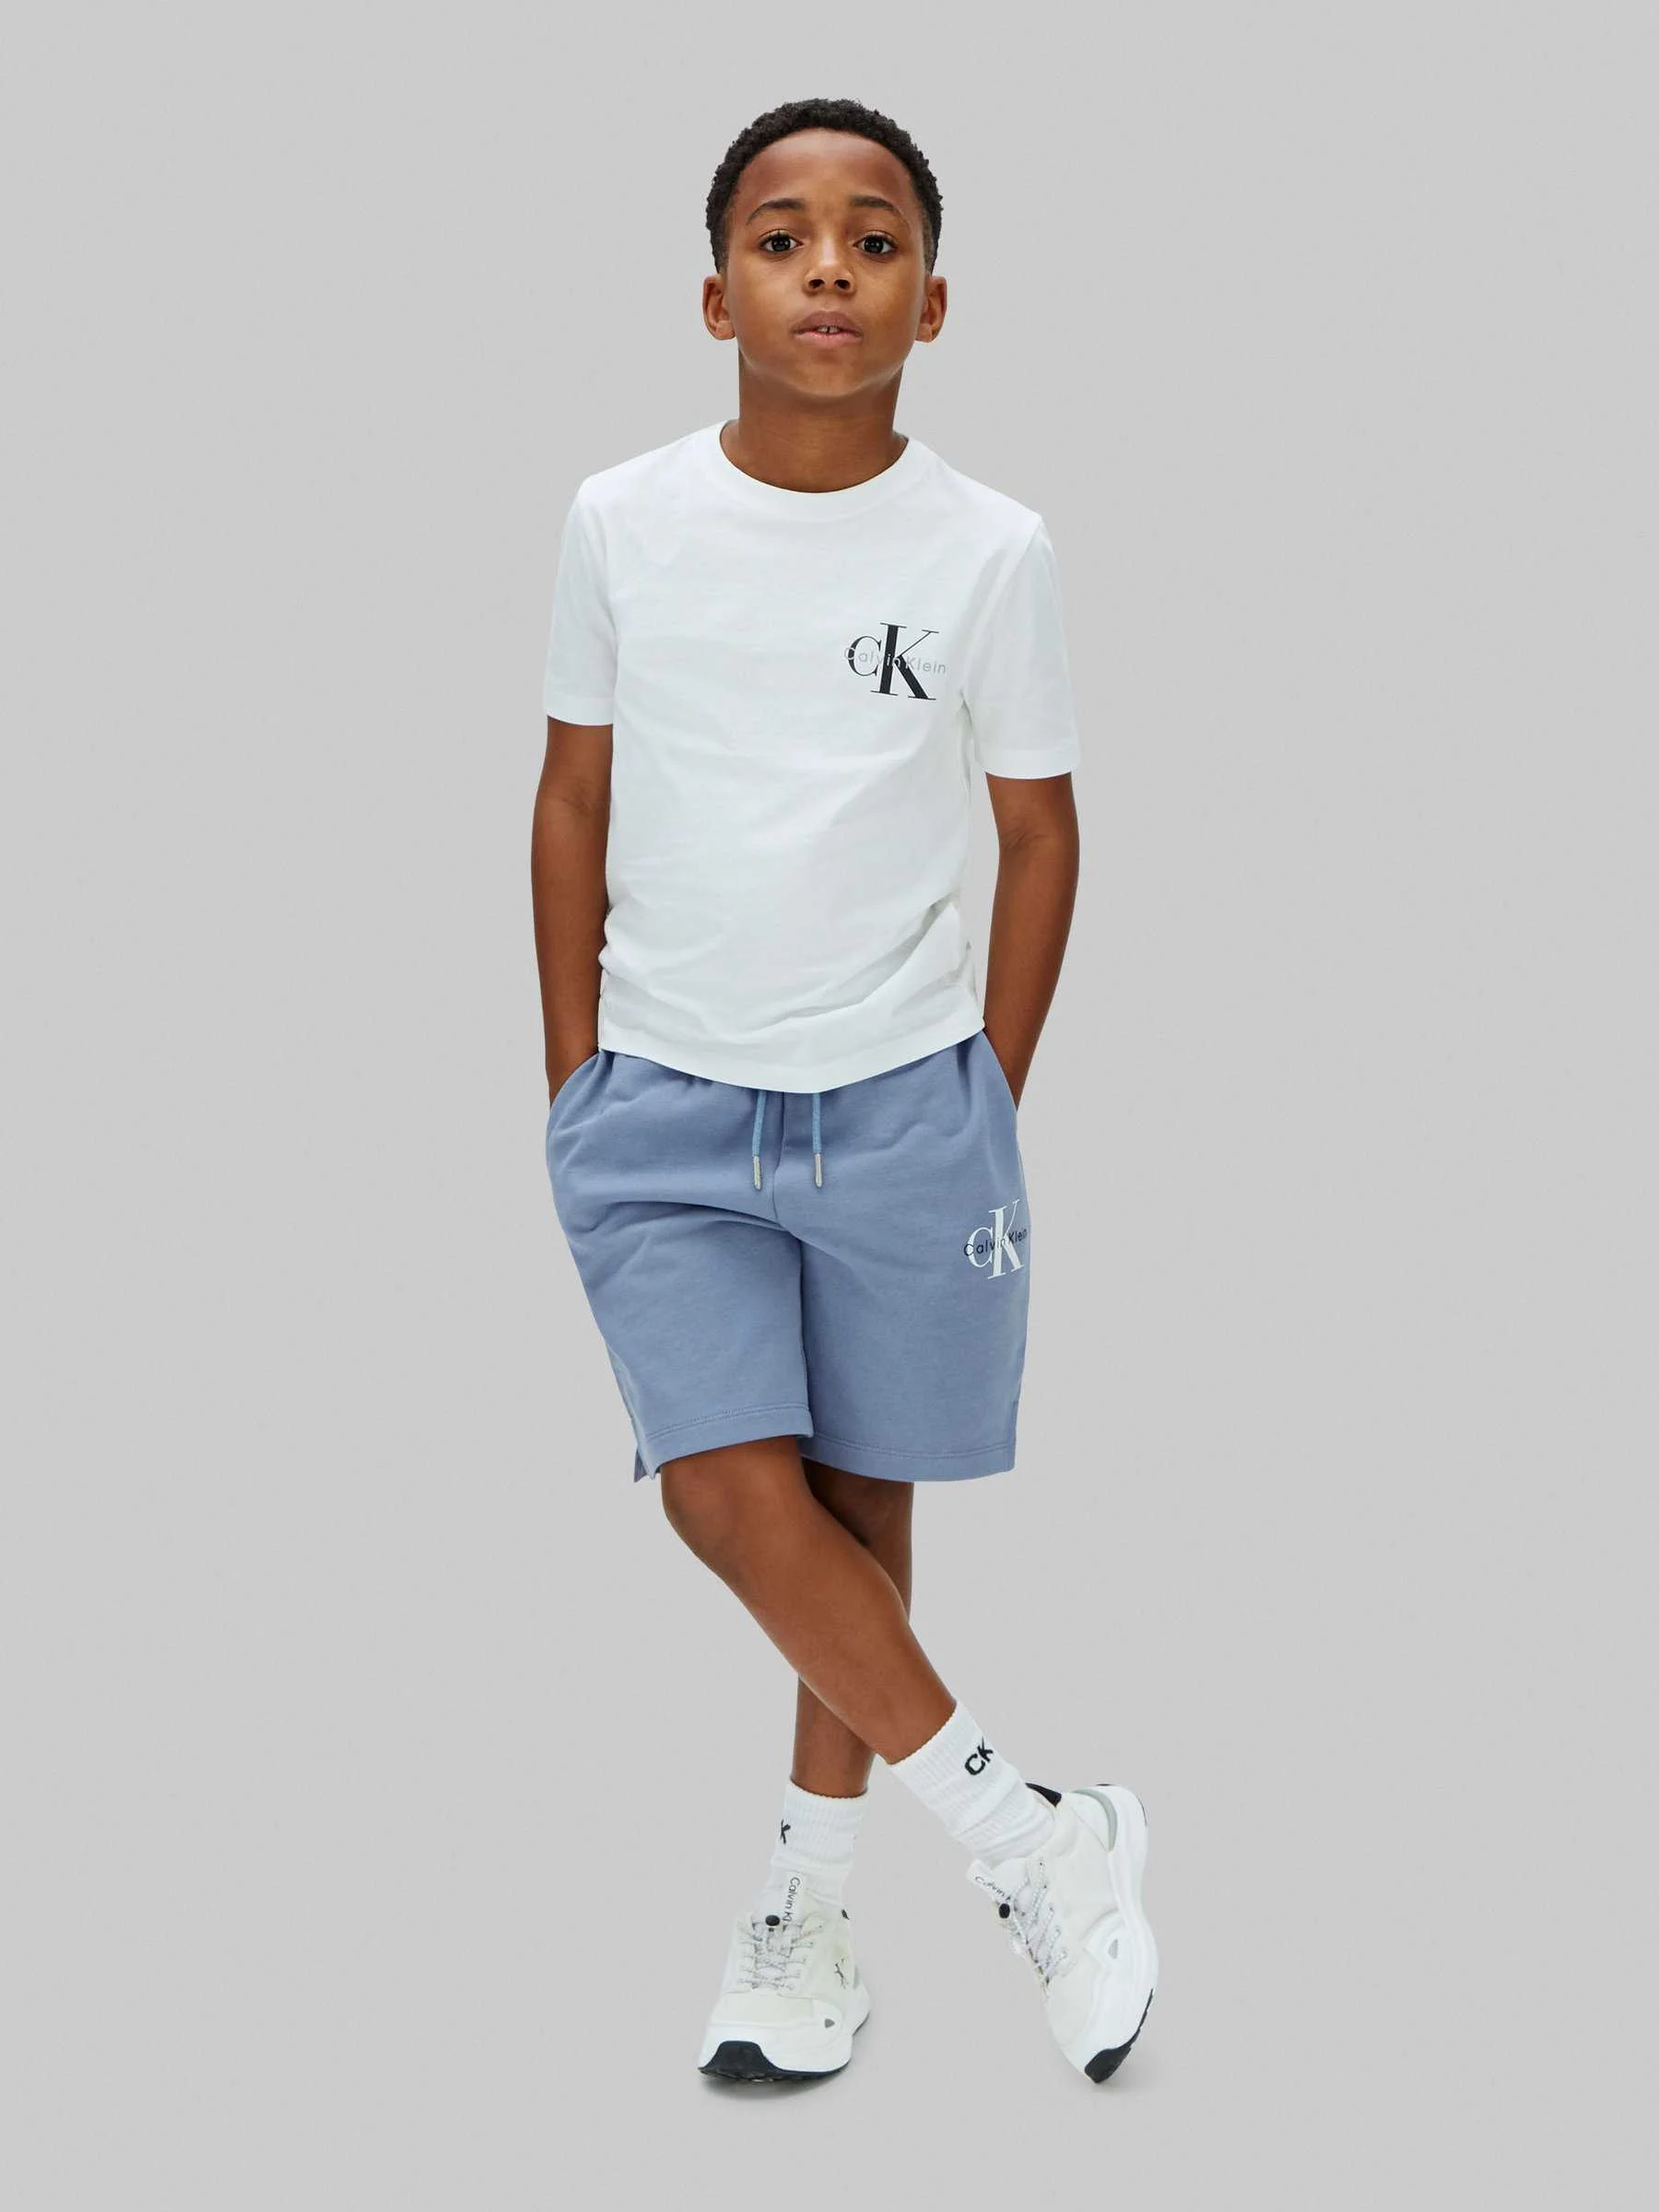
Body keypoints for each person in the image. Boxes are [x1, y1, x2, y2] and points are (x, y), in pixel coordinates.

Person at [531, 95, 1156, 2087]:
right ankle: (1033, 1837)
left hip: (901, 1106)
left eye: (874, 241)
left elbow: (1041, 833)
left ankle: (807, 1911)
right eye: (784, 237)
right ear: (716, 293)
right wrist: (573, 1077)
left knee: (857, 1512)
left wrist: (985, 1096)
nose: (829, 269)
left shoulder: (990, 550)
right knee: (728, 1497)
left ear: (932, 302)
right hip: (666, 1111)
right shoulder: (623, 520)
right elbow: (571, 798)